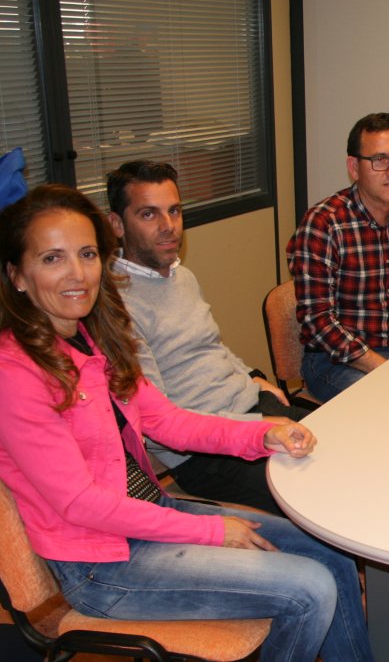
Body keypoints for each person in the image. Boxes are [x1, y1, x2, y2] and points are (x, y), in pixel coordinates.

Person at [0, 184, 373, 662]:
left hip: (149, 518)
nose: (77, 273)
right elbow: (80, 503)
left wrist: (263, 434)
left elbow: (168, 421)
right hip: (102, 566)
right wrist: (214, 531)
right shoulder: (11, 373)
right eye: (52, 258)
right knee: (310, 589)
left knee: (331, 555)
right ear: (17, 275)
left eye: (87, 254)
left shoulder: (92, 340)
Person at [107, 160, 308, 514]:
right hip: (205, 453)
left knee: (351, 450)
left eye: (174, 211)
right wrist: (254, 427)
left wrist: (254, 378)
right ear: (117, 225)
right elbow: (157, 425)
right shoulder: (116, 307)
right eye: (149, 214)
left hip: (252, 407)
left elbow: (211, 346)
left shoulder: (181, 276)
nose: (168, 226)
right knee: (323, 493)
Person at [288, 112, 389, 401]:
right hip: (336, 361)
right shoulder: (323, 224)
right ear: (354, 167)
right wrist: (386, 368)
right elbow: (318, 322)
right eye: (380, 160)